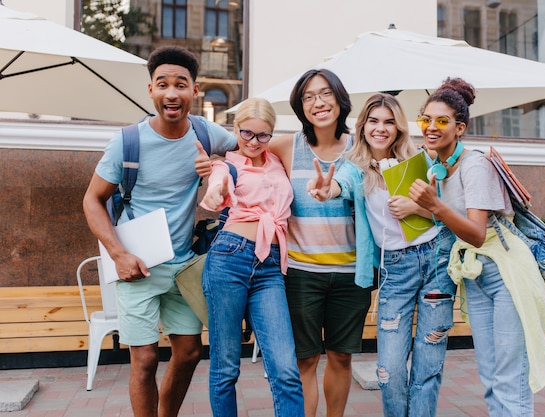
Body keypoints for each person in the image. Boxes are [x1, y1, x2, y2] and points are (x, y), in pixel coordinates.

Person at [82, 45, 236, 417]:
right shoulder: (127, 142)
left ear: (194, 92)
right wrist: (119, 254)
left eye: (181, 84)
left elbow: (250, 151)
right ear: (150, 89)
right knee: (145, 358)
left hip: (183, 266)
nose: (172, 93)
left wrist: (218, 165)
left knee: (188, 352)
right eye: (162, 84)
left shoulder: (205, 131)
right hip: (137, 266)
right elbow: (92, 200)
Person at [408, 77, 545, 416]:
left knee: (509, 376)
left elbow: (475, 231)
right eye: (425, 119)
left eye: (441, 121)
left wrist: (434, 206)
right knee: (490, 375)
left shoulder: (475, 165)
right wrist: (419, 207)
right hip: (475, 274)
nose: (431, 127)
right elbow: (452, 221)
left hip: (505, 273)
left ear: (459, 128)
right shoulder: (440, 168)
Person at [306, 93, 457, 417]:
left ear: (399, 128)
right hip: (395, 269)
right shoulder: (355, 168)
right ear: (363, 126)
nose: (381, 128)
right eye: (374, 121)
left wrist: (418, 206)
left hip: (435, 262)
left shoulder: (422, 160)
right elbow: (340, 185)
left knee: (427, 367)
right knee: (389, 371)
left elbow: (450, 211)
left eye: (389, 121)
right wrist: (325, 190)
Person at [269, 69, 373, 417]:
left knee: (342, 356)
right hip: (300, 272)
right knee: (306, 360)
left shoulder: (361, 149)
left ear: (339, 99)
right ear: (301, 107)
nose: (318, 102)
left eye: (325, 93)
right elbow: (244, 152)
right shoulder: (286, 146)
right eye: (308, 97)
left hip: (350, 273)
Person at [200, 97, 305, 417]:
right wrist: (215, 190)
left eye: (263, 136)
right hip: (229, 259)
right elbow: (218, 183)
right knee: (226, 367)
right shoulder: (226, 163)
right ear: (236, 129)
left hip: (271, 266)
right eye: (247, 134)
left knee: (286, 369)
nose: (254, 142)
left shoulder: (277, 161)